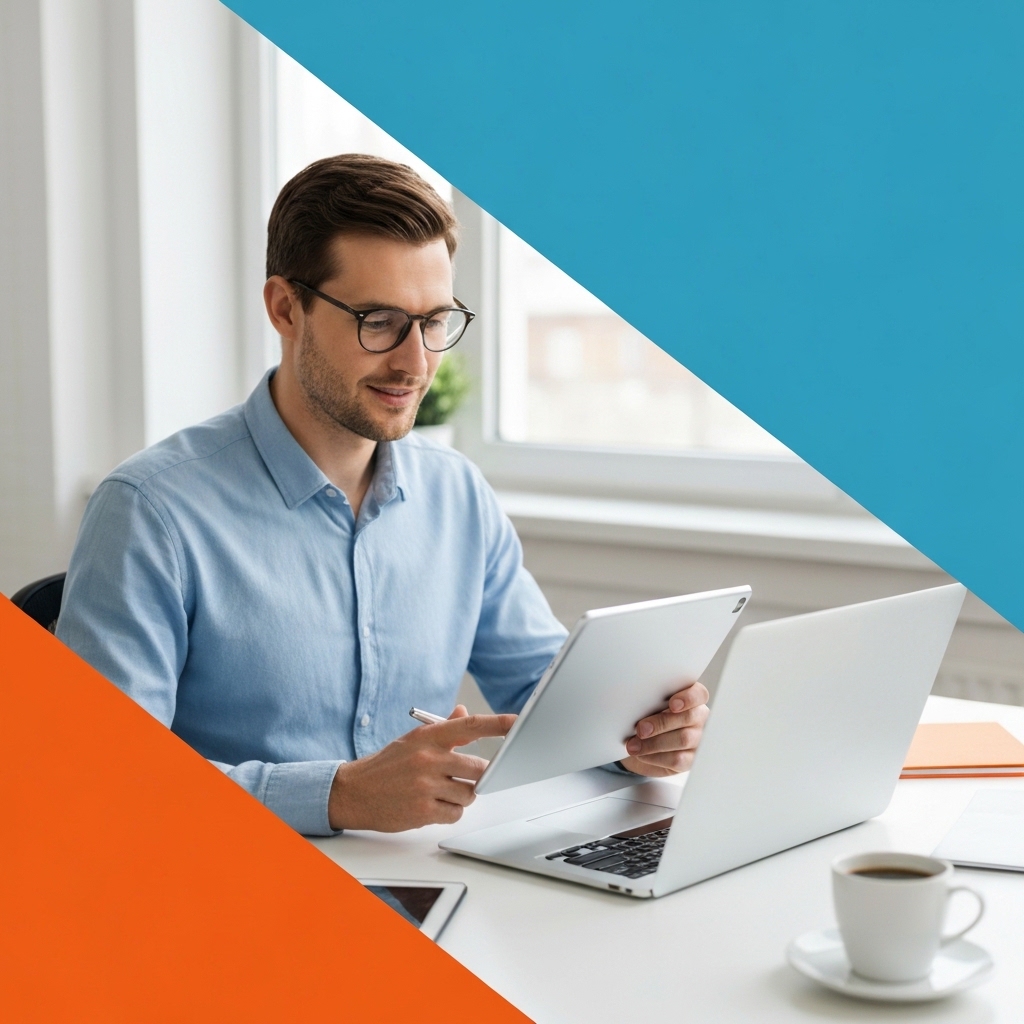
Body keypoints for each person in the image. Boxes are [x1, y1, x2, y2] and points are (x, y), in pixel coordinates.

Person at [56, 154, 710, 836]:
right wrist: (336, 797)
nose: (415, 362)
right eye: (379, 321)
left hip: (433, 886)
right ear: (286, 307)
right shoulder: (151, 510)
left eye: (434, 321)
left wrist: (641, 739)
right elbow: (100, 779)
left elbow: (550, 702)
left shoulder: (456, 494)